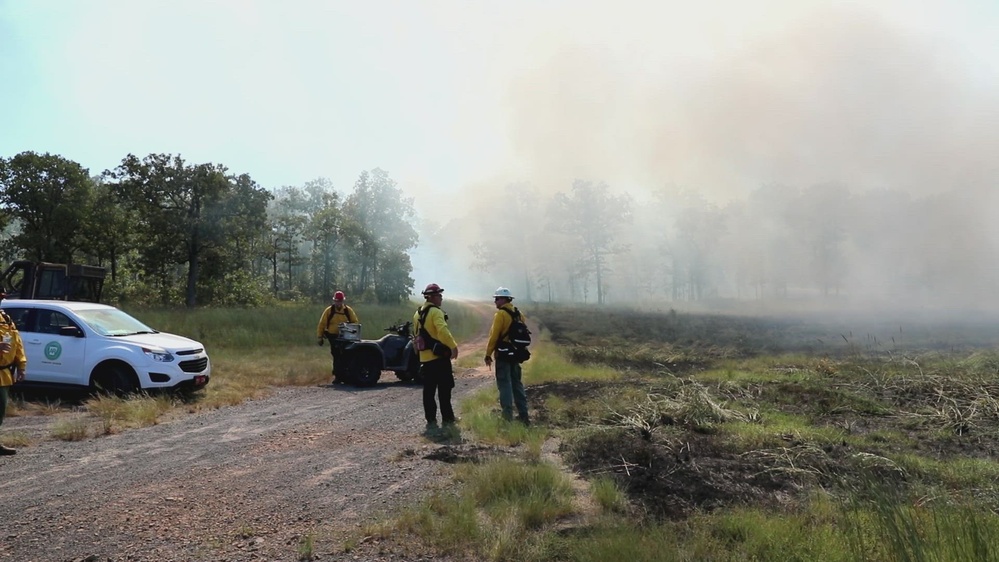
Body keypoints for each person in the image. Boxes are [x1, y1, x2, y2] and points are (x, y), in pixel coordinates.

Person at [413, 283, 459, 431]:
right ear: (432, 297)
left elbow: (416, 336)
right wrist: (453, 346)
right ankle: (448, 419)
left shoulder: (417, 313)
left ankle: (431, 420)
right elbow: (442, 331)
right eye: (439, 295)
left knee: (428, 392)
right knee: (445, 390)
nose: (441, 298)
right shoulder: (436, 312)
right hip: (439, 359)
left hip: (425, 360)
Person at [484, 287, 530, 424]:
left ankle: (507, 417)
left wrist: (488, 354)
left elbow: (494, 336)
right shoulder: (519, 314)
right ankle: (524, 414)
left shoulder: (500, 315)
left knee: (505, 385)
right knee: (517, 384)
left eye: (497, 298)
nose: (495, 301)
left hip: (503, 354)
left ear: (504, 299)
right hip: (516, 354)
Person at [0, 293, 27, 455]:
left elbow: (17, 343)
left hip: (4, 376)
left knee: (0, 411)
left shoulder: (5, 318)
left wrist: (21, 366)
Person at [316, 290, 359, 384]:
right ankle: (338, 376)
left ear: (343, 301)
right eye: (337, 301)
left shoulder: (348, 310)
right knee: (337, 356)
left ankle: (346, 376)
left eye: (340, 301)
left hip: (346, 337)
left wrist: (348, 325)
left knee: (346, 355)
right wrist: (320, 336)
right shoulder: (329, 310)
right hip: (333, 336)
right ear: (334, 300)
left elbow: (355, 322)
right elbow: (322, 324)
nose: (338, 303)